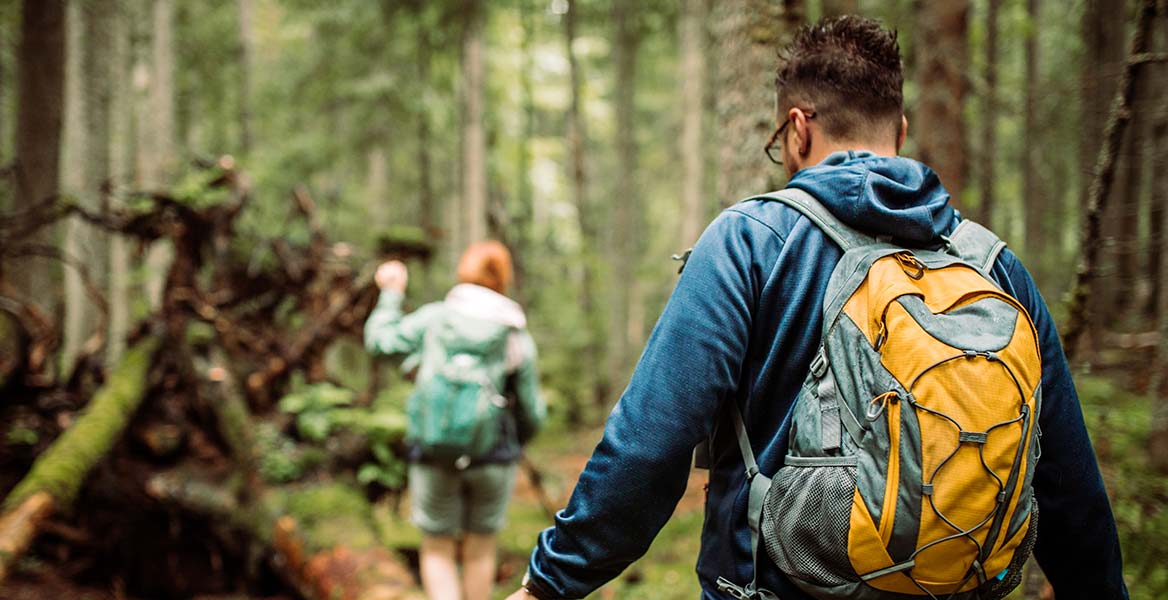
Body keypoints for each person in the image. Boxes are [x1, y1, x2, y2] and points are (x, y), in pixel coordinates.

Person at [507, 15, 1127, 600]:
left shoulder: (751, 241)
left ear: (798, 129)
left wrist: (550, 582)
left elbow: (651, 443)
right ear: (901, 132)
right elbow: (1069, 486)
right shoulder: (993, 266)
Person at [366, 241, 545, 600]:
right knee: (480, 550)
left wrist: (390, 294)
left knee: (436, 548)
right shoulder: (514, 332)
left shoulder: (436, 318)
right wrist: (515, 443)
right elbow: (531, 410)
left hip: (433, 452)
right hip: (494, 457)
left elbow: (381, 342)